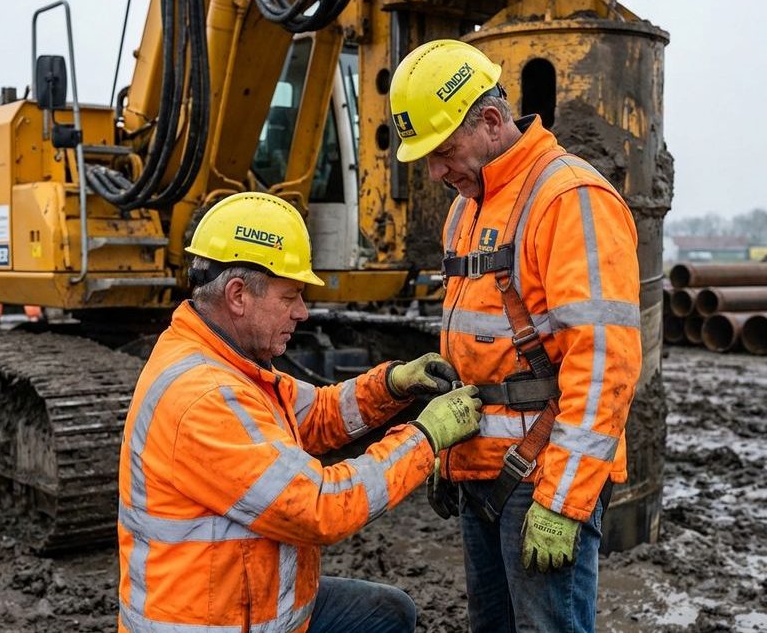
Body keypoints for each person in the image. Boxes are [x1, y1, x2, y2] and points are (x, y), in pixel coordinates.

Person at [117, 191, 483, 633]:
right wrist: (425, 438)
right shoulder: (205, 397)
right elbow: (320, 508)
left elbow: (317, 414)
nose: (302, 312)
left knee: (387, 613)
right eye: (290, 296)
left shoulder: (227, 361)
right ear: (238, 295)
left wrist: (392, 385)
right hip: (213, 621)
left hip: (248, 601)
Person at [389, 39, 641, 632]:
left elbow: (604, 363)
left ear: (493, 121)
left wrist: (564, 499)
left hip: (544, 476)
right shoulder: (467, 206)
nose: (435, 171)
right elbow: (482, 348)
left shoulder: (569, 198)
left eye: (444, 151)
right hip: (481, 473)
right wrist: (448, 456)